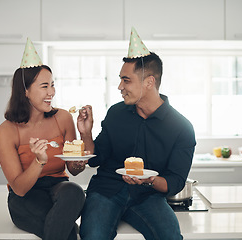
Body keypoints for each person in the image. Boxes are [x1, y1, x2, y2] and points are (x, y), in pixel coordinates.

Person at [76, 27, 196, 240]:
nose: (120, 86)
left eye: (126, 80)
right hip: (106, 191)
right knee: (93, 236)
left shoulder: (182, 128)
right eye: (121, 80)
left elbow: (174, 182)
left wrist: (147, 180)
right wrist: (86, 134)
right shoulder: (116, 113)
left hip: (148, 196)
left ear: (149, 82)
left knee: (170, 237)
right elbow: (97, 159)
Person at [0, 38, 85, 240]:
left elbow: (73, 170)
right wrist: (39, 161)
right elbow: (19, 188)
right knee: (68, 232)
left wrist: (79, 160)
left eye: (52, 85)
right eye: (44, 86)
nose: (51, 92)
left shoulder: (63, 118)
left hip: (59, 188)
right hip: (25, 197)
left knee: (75, 192)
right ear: (25, 91)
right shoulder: (6, 131)